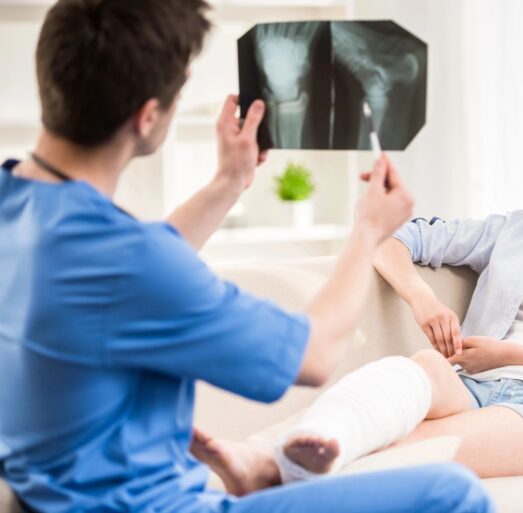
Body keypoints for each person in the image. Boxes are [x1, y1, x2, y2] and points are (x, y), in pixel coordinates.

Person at [0, 1, 496, 512]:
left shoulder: (23, 207)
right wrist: (368, 232)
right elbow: (314, 354)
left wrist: (227, 183)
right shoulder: (129, 262)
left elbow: (126, 267)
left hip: (41, 495)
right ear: (148, 116)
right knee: (452, 493)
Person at [193, 91, 523, 488]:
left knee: (396, 448)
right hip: (472, 387)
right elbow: (390, 239)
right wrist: (422, 299)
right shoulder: (515, 231)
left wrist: (507, 354)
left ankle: (271, 471)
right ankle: (256, 454)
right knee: (420, 365)